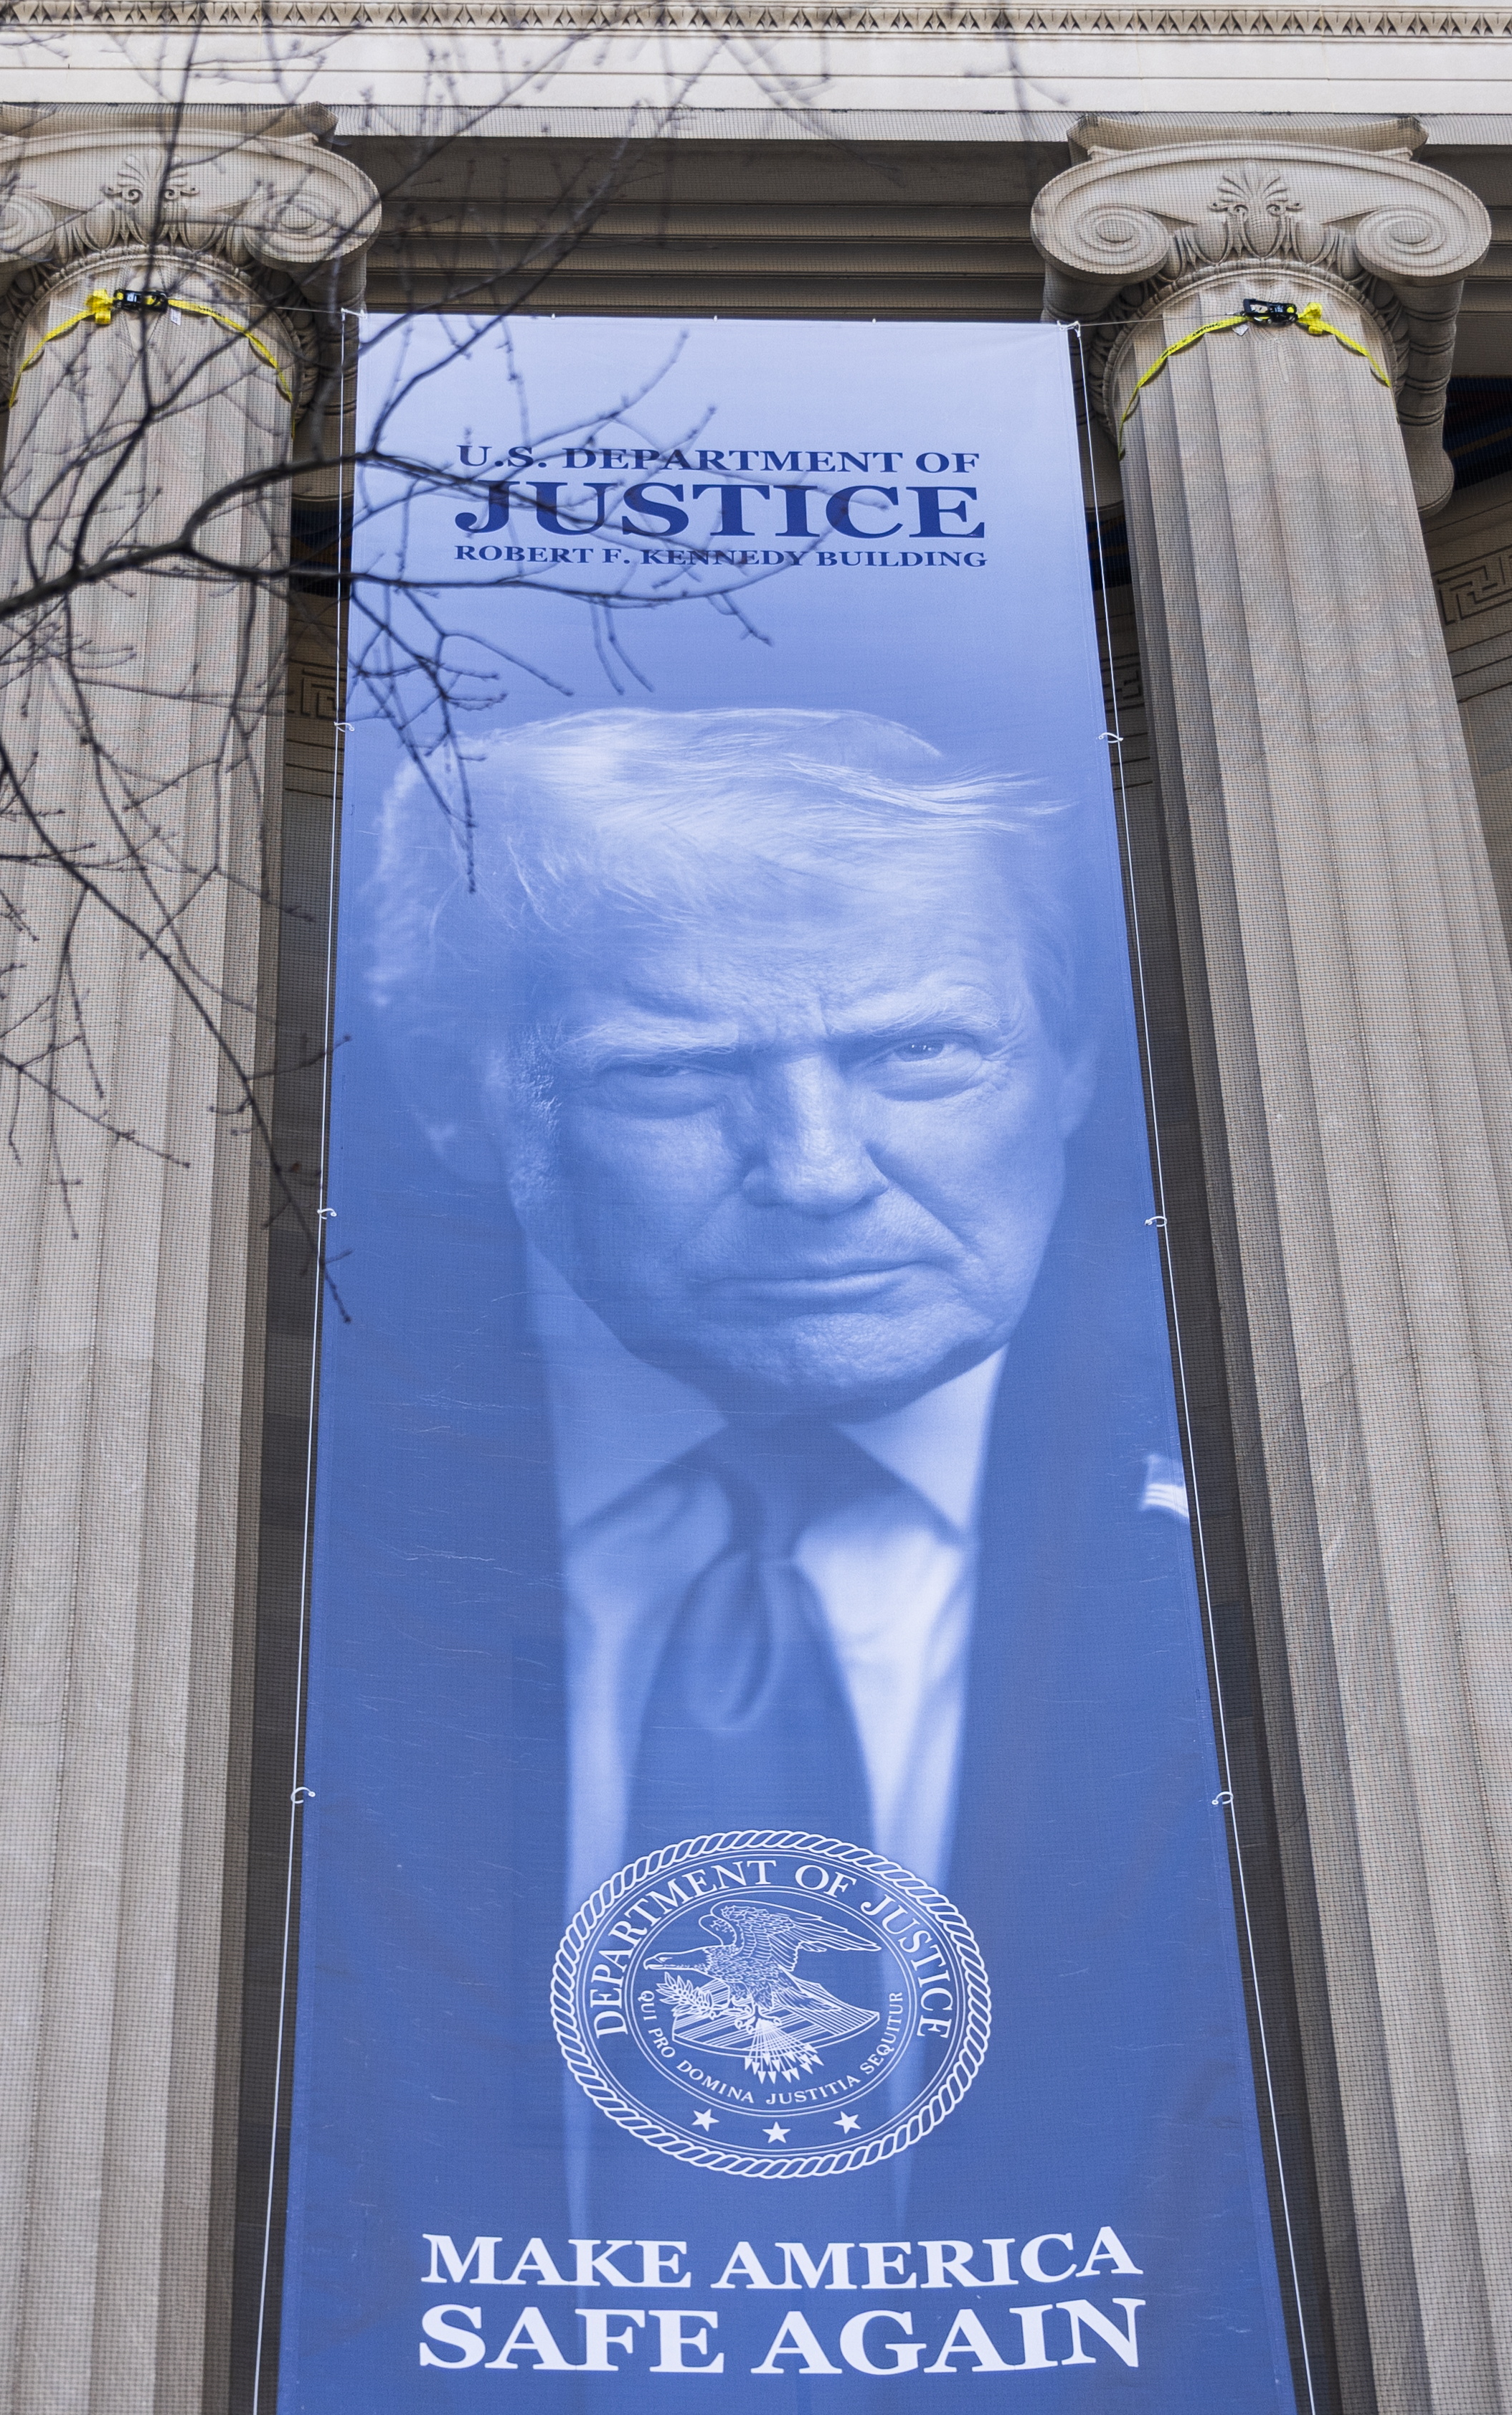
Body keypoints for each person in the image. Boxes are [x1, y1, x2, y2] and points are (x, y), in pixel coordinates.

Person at [323, 705, 1220, 1946]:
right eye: (672, 1071)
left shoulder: (1265, 1519)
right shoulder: (298, 1525)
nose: (816, 1172)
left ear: (1072, 1061)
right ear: (454, 1096)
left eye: (919, 1049)